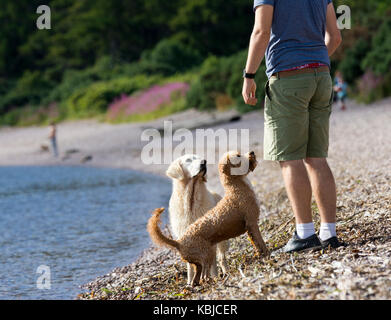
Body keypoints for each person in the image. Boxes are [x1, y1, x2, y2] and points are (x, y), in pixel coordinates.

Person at [242, 0, 342, 252]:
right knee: (317, 158)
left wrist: (249, 75)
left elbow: (261, 32)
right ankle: (329, 233)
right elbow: (336, 36)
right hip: (321, 75)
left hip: (288, 78)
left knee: (290, 158)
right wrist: (312, 60)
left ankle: (305, 233)